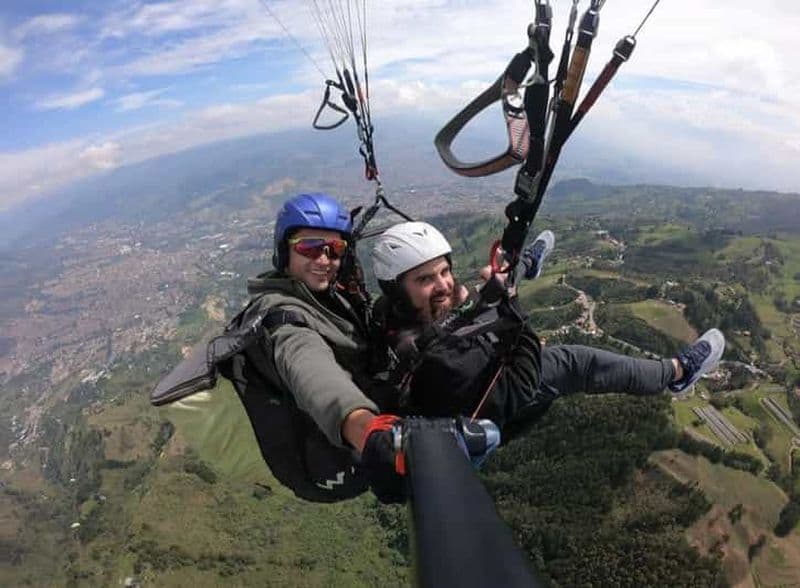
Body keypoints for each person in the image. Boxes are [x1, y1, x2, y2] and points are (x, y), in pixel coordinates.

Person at [368, 221, 726, 431]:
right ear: (398, 287)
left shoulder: (390, 313)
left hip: (451, 377)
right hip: (487, 405)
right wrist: (513, 311)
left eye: (444, 270)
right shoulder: (443, 363)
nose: (444, 283)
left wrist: (481, 293)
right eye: (426, 279)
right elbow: (520, 385)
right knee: (576, 361)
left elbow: (454, 305)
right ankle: (675, 373)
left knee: (487, 288)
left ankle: (524, 265)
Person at [221, 192, 384, 501]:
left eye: (334, 249)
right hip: (334, 445)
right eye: (308, 247)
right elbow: (309, 367)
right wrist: (365, 428)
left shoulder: (318, 292)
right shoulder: (282, 320)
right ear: (285, 251)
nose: (323, 260)